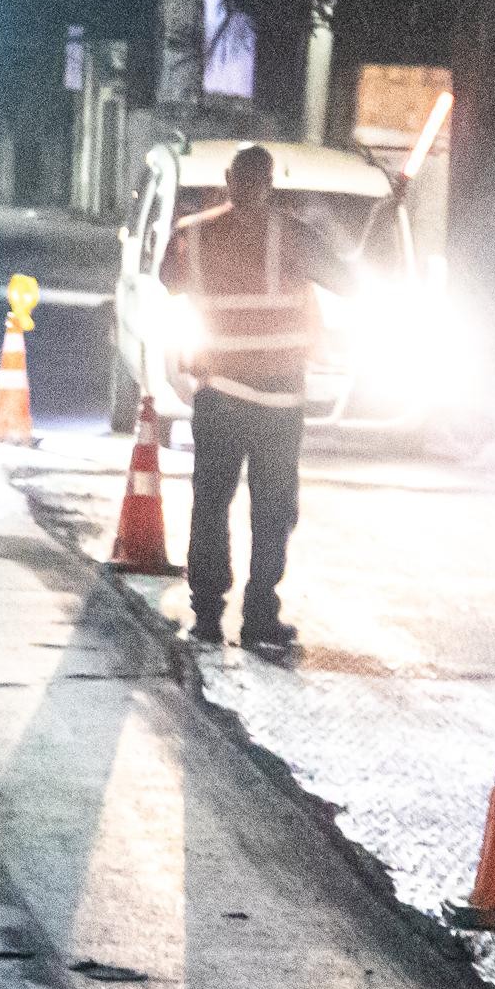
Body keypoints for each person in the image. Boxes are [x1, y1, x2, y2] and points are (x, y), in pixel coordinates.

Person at [162, 141, 319, 658]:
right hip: (279, 401)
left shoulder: (194, 234)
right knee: (273, 510)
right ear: (270, 183)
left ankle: (206, 615)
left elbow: (169, 281)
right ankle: (259, 617)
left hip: (221, 393)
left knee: (211, 503)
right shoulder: (294, 235)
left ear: (229, 178)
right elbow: (348, 279)